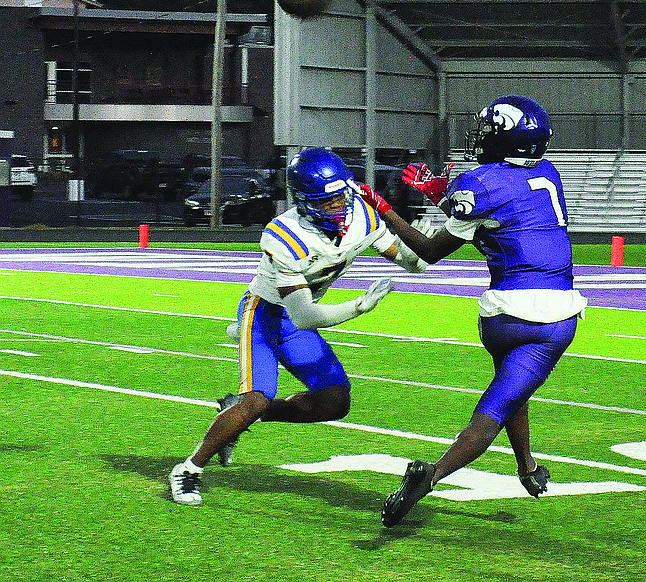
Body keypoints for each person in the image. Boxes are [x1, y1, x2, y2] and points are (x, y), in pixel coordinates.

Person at [358, 95, 588, 527]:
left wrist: (385, 210)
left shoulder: (479, 183)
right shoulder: (549, 174)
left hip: (503, 316)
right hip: (555, 317)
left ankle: (508, 468)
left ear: (507, 138)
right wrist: (448, 195)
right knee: (498, 405)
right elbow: (510, 207)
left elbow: (428, 251)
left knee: (505, 396)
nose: (482, 139)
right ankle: (441, 476)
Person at [169, 147, 428, 506]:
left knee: (335, 401)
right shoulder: (285, 234)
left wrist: (419, 247)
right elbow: (305, 316)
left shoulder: (363, 218)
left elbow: (409, 260)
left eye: (342, 197)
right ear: (304, 202)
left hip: (295, 318)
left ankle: (237, 415)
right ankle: (189, 470)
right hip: (264, 315)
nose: (339, 207)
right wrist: (358, 307)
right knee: (256, 398)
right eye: (328, 201)